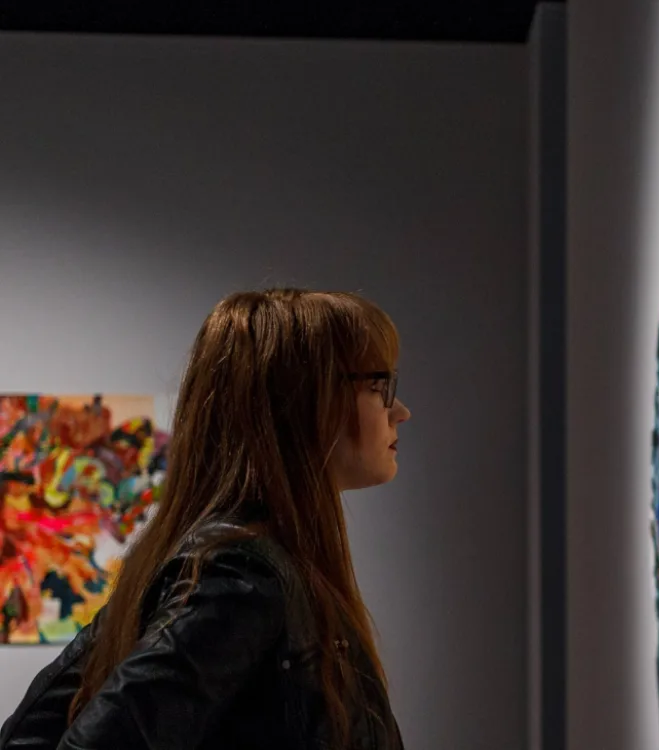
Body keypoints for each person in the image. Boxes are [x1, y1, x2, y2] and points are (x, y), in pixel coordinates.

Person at [0, 288, 412, 750]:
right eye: (378, 387)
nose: (399, 412)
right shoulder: (242, 576)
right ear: (303, 403)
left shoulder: (234, 561)